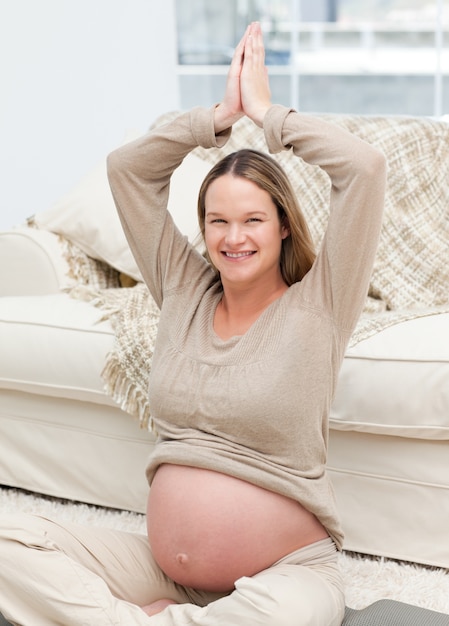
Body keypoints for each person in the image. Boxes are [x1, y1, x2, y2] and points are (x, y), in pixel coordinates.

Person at [0, 21, 386, 626]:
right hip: (163, 571)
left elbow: (363, 169)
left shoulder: (320, 305)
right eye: (217, 222)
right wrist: (215, 119)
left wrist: (266, 114)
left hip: (285, 572)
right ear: (202, 228)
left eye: (253, 220)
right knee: (9, 547)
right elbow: (127, 170)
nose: (234, 239)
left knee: (288, 615)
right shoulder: (182, 288)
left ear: (283, 224)